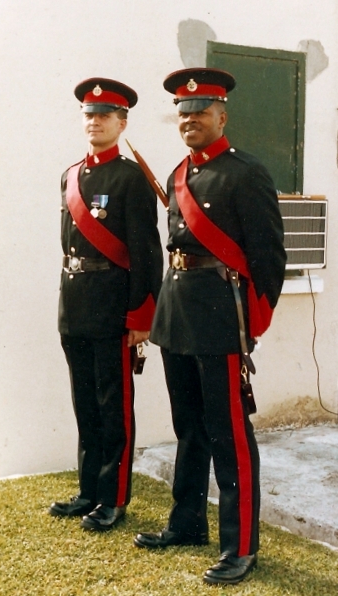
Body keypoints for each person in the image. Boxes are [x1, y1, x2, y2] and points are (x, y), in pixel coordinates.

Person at [134, 68, 286, 585]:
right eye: (183, 112)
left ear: (222, 115)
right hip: (177, 316)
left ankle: (240, 546)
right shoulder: (181, 173)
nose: (190, 119)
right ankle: (187, 524)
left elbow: (269, 259)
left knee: (230, 435)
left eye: (201, 111)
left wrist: (252, 327)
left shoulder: (246, 174)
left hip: (223, 319)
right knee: (189, 429)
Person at [49, 77, 163, 532]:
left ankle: (113, 499)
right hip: (75, 305)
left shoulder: (131, 178)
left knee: (113, 405)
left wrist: (140, 316)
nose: (94, 122)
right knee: (85, 403)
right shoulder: (71, 175)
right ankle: (88, 491)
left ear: (122, 122)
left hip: (113, 307)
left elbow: (145, 253)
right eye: (88, 115)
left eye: (104, 115)